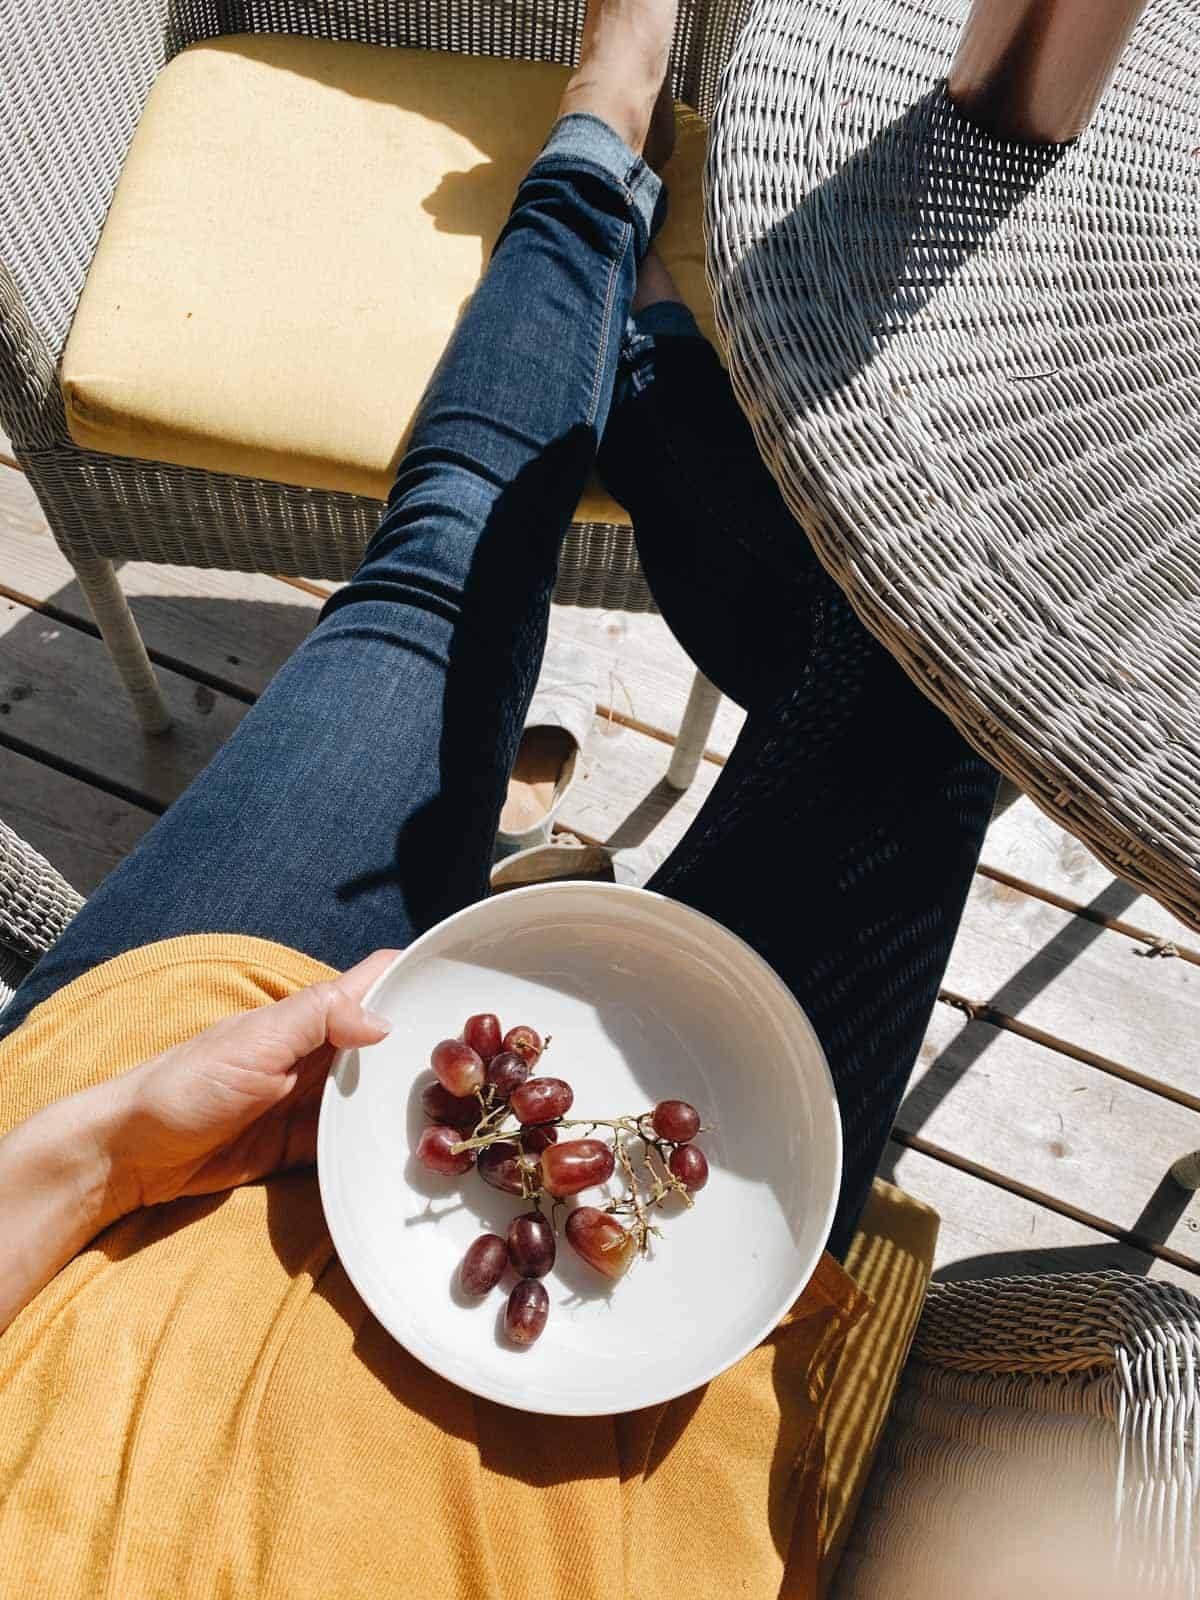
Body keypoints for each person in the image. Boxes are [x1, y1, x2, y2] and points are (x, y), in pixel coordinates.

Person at [0, 0, 997, 1591]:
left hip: (111, 1225)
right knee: (933, 697)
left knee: (451, 551)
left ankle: (602, 142)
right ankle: (656, 342)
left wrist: (99, 1147)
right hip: (611, 1476)